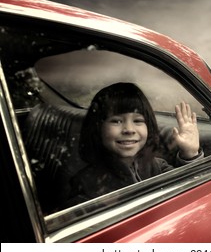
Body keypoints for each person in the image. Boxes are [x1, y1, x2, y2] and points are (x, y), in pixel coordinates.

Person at [67, 82, 203, 205]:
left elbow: (189, 190)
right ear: (98, 128)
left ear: (148, 126)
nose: (129, 130)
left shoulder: (156, 166)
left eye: (137, 121)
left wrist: (190, 153)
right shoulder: (86, 186)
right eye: (116, 121)